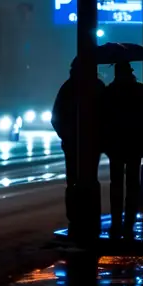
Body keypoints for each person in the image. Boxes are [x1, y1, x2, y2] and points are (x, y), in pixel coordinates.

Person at [51, 60, 105, 233]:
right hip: (92, 144)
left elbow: (56, 117)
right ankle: (91, 218)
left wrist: (67, 136)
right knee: (91, 179)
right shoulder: (98, 86)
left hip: (72, 144)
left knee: (73, 181)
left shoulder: (67, 88)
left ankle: (75, 220)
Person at [102, 61, 143, 239]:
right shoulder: (141, 91)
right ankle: (129, 223)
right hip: (134, 145)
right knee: (132, 186)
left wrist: (106, 144)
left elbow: (102, 121)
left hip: (115, 146)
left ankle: (116, 223)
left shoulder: (109, 92)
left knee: (116, 185)